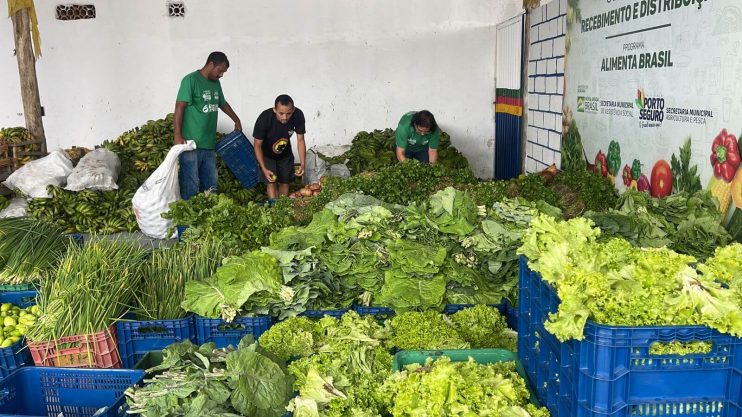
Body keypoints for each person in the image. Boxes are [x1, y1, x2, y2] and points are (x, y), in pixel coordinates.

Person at [173, 51, 242, 200]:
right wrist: (177, 135)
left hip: (209, 144)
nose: (221, 75)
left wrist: (236, 119)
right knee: (190, 185)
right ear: (211, 64)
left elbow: (222, 103)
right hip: (191, 144)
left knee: (211, 185)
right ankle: (189, 219)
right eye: (220, 70)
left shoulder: (216, 83)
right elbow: (179, 107)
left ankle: (209, 217)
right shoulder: (190, 80)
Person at [253, 94, 306, 200]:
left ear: (293, 110)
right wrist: (263, 168)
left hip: (285, 155)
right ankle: (274, 208)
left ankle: (282, 208)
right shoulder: (264, 118)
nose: (284, 117)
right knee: (271, 182)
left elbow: (300, 140)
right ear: (274, 109)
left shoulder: (298, 115)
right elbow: (257, 145)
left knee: (285, 182)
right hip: (267, 155)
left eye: (288, 113)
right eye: (281, 113)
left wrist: (303, 163)